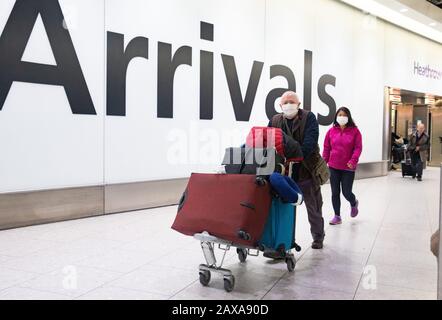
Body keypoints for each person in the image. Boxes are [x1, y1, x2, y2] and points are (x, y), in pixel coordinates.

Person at [268, 91, 325, 250]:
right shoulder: (275, 120)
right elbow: (267, 140)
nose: (288, 105)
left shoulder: (309, 118)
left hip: (306, 170)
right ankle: (283, 241)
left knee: (313, 207)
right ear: (280, 106)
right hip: (283, 173)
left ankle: (318, 236)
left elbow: (309, 144)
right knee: (283, 208)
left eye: (292, 101)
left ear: (299, 104)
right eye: (285, 102)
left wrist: (290, 154)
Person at [322, 107, 362, 225]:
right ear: (336, 117)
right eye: (339, 115)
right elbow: (327, 148)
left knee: (346, 192)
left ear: (348, 117)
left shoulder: (355, 131)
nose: (342, 117)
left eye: (344, 115)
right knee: (335, 192)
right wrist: (324, 161)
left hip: (348, 168)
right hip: (333, 166)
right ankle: (337, 216)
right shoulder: (331, 131)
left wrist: (353, 160)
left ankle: (353, 202)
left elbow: (358, 147)